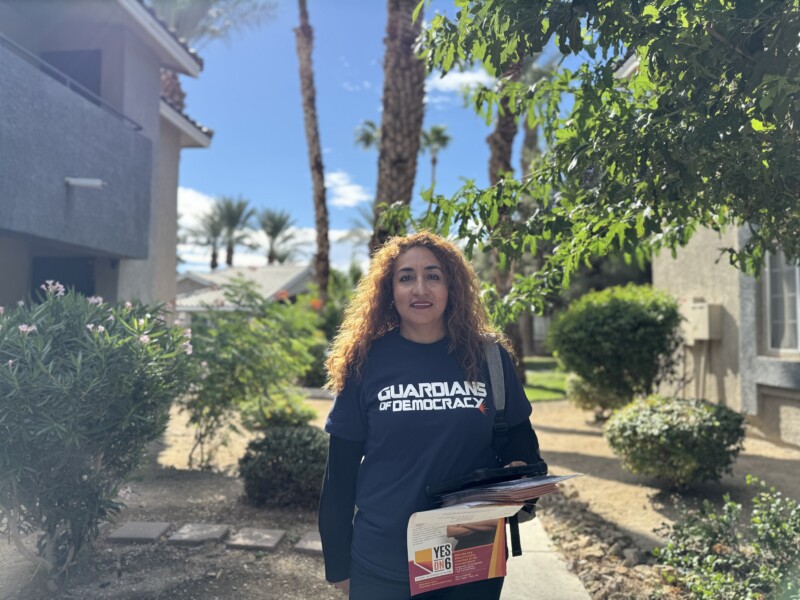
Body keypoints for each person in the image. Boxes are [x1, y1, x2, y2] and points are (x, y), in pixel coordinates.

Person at [319, 231, 542, 599]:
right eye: (406, 277)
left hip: (470, 554)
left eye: (432, 276)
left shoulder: (489, 358)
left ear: (451, 286)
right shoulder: (366, 361)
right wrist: (338, 563)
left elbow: (523, 444)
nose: (419, 288)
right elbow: (339, 476)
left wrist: (521, 481)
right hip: (384, 562)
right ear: (390, 290)